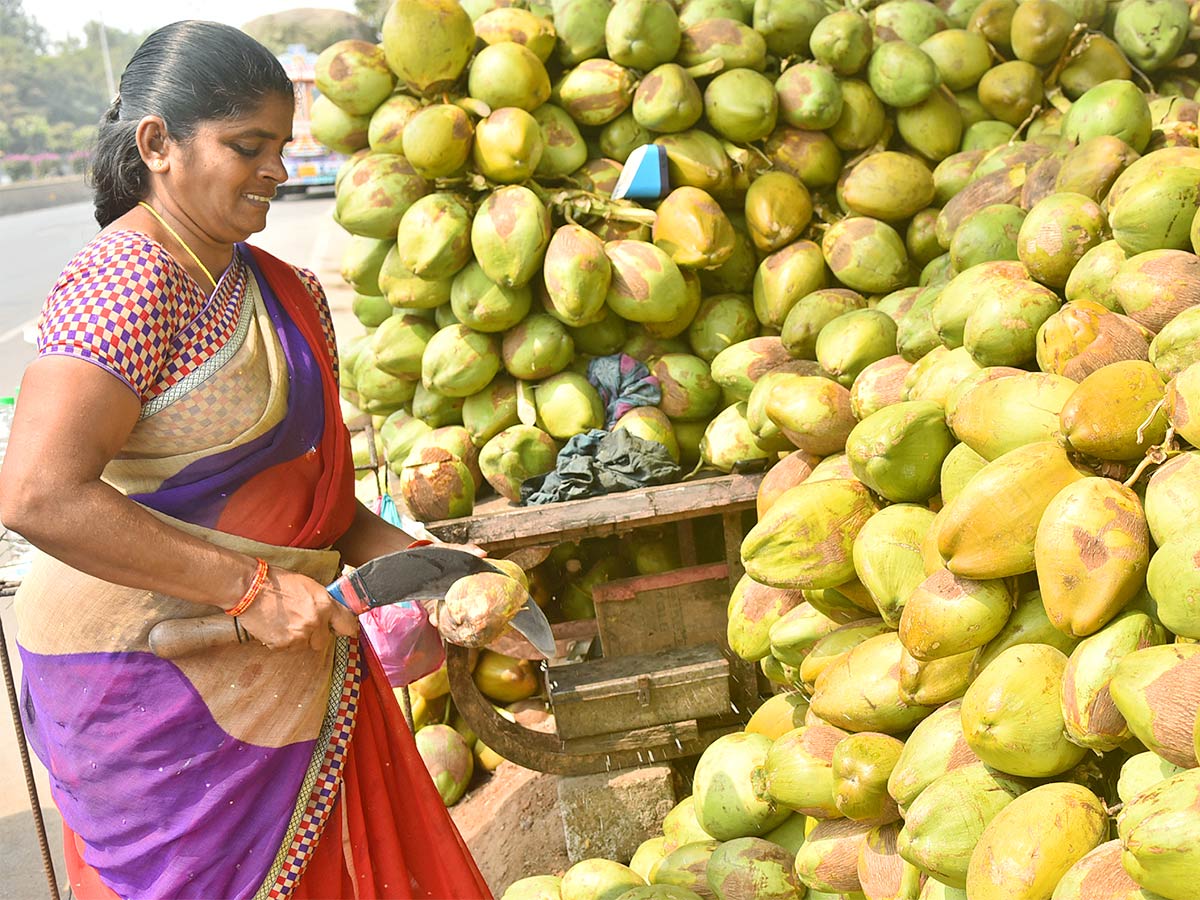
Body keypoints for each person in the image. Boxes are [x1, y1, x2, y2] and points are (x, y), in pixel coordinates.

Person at [0, 21, 492, 900]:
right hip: (149, 692)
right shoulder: (126, 283)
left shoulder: (285, 291)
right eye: (247, 146)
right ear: (158, 144)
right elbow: (37, 493)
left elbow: (319, 512)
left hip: (292, 666)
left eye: (282, 146)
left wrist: (437, 575)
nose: (275, 169)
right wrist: (250, 591)